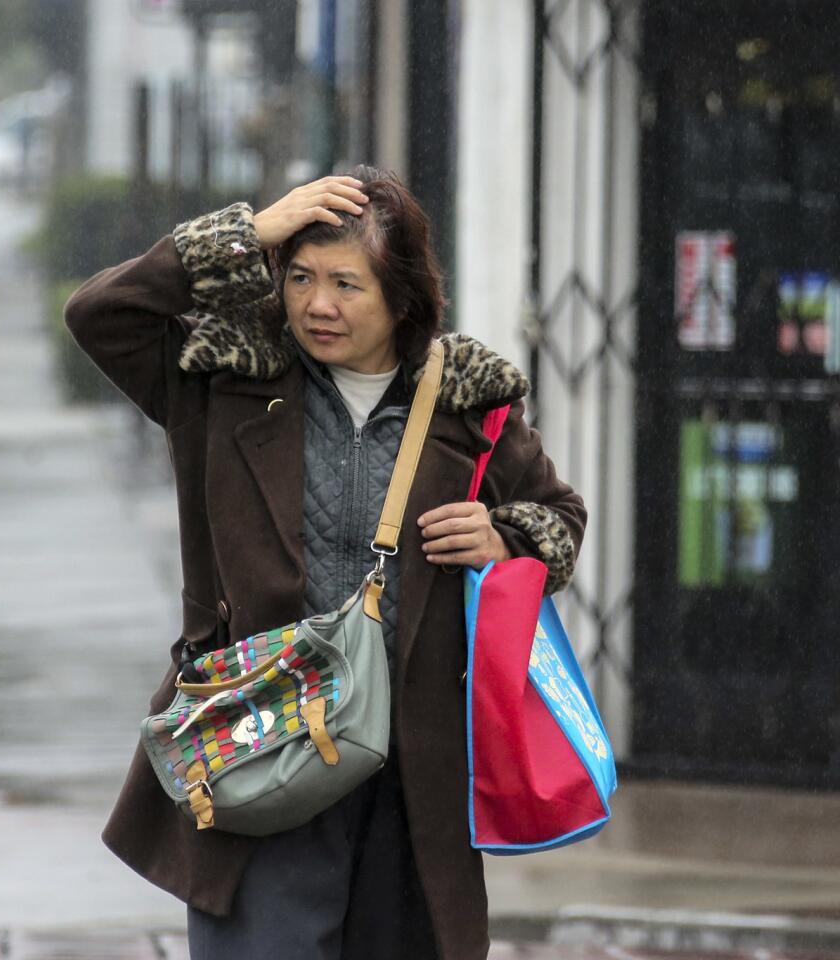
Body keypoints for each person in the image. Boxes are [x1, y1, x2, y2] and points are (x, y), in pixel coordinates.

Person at [65, 168, 586, 960]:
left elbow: (562, 519)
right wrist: (245, 231)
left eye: (347, 284)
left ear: (403, 300)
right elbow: (100, 313)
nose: (318, 305)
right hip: (259, 743)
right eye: (301, 278)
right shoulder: (223, 379)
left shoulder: (465, 406)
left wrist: (503, 538)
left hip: (410, 773)